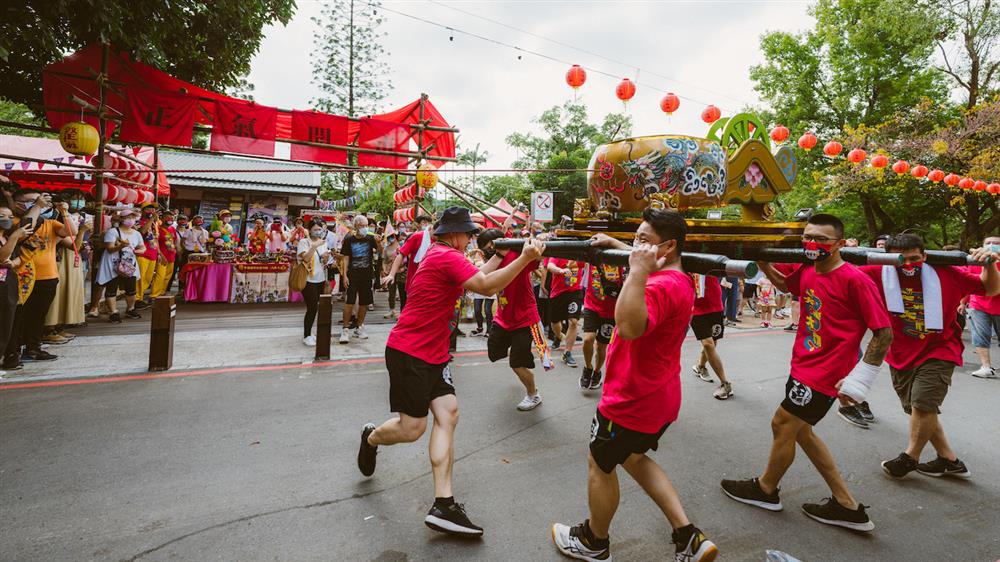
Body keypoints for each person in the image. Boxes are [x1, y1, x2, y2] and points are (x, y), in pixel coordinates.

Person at [357, 207, 545, 536]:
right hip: (410, 352)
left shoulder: (445, 255)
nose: (472, 239)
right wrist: (525, 258)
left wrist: (502, 256)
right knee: (413, 428)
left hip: (435, 354)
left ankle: (444, 504)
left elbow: (476, 278)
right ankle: (371, 438)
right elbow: (485, 287)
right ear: (454, 234)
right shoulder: (444, 255)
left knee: (448, 413)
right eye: (469, 234)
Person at [552, 208, 717, 562]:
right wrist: (618, 244)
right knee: (634, 458)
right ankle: (687, 535)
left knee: (600, 463)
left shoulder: (660, 284)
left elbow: (626, 326)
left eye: (643, 241)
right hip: (658, 397)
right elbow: (644, 261)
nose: (636, 247)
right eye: (636, 239)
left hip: (631, 400)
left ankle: (594, 541)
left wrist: (638, 271)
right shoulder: (678, 277)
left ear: (668, 246)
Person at [721, 214, 892, 532]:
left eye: (822, 239)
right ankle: (846, 505)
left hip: (825, 374)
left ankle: (766, 489)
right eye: (808, 237)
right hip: (802, 365)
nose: (813, 244)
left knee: (782, 424)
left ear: (839, 243)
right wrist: (764, 262)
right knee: (801, 432)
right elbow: (788, 286)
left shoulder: (855, 279)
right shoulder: (809, 269)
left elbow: (883, 333)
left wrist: (859, 378)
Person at [857, 233, 998, 480]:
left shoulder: (947, 272)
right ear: (888, 259)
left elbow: (991, 288)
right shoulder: (876, 273)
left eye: (915, 258)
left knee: (923, 405)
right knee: (919, 409)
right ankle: (948, 460)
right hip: (899, 352)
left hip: (940, 349)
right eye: (902, 260)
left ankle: (909, 458)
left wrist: (988, 264)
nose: (909, 265)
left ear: (925, 255)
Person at [478, 228, 545, 410]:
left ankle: (533, 393)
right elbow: (479, 277)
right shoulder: (492, 260)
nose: (489, 250)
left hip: (524, 318)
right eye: (486, 249)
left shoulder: (518, 253)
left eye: (491, 246)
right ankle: (519, 356)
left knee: (516, 363)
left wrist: (537, 242)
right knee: (494, 353)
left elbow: (536, 258)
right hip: (503, 317)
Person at [10, 190, 78, 361]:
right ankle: (14, 349)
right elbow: (27, 226)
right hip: (22, 277)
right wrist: (37, 206)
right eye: (31, 200)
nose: (39, 202)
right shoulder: (14, 221)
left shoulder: (50, 223)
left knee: (38, 315)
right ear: (18, 203)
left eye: (39, 199)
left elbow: (71, 231)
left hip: (48, 276)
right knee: (19, 315)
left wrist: (64, 211)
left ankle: (33, 348)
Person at [579, 237, 625, 390]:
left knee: (601, 346)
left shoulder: (621, 262)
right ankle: (588, 367)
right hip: (592, 305)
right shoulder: (592, 258)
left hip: (611, 311)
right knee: (588, 339)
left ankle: (597, 372)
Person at [43, 191, 88, 342]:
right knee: (57, 295)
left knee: (67, 293)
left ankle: (59, 326)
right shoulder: (53, 222)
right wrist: (82, 231)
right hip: (58, 261)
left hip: (71, 261)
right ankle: (49, 329)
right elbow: (73, 245)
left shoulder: (65, 219)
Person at [96, 209, 147, 323]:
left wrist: (141, 251)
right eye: (128, 217)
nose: (131, 220)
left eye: (133, 218)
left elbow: (142, 246)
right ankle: (113, 312)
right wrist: (121, 246)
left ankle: (130, 309)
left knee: (131, 289)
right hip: (113, 263)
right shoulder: (113, 232)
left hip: (129, 264)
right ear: (122, 219)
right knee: (111, 288)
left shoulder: (136, 233)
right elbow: (109, 249)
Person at [690, 274, 734, 400]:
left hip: (715, 306)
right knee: (708, 344)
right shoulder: (685, 257)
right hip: (696, 309)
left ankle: (700, 366)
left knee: (712, 343)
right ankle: (725, 384)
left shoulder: (710, 256)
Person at [339, 215, 380, 343]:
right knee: (349, 302)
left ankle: (359, 327)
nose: (364, 228)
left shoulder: (370, 238)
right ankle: (345, 329)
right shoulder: (349, 240)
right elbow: (345, 257)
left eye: (366, 225)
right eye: (362, 225)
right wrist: (344, 275)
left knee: (364, 302)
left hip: (367, 275)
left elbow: (379, 251)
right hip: (352, 274)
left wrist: (379, 243)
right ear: (356, 226)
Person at [1, 206, 32, 374]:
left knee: (8, 323)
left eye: (10, 216)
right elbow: (2, 256)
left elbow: (17, 257)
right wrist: (14, 236)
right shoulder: (10, 237)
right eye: (2, 216)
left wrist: (14, 263)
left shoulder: (7, 237)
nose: (7, 219)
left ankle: (8, 355)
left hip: (9, 284)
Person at [966, 234, 1000, 378]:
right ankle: (986, 366)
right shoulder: (975, 260)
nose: (991, 244)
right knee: (980, 336)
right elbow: (968, 281)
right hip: (978, 304)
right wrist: (963, 302)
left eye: (996, 243)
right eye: (988, 242)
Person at [546, 256, 584, 367]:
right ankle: (558, 336)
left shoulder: (580, 254)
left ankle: (567, 352)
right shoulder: (560, 252)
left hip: (575, 292)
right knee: (555, 322)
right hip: (558, 293)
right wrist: (561, 270)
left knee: (573, 322)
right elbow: (550, 266)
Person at [298, 221, 330, 346]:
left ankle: (312, 333)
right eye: (315, 229)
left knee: (319, 307)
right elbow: (305, 258)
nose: (318, 231)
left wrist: (327, 256)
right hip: (308, 280)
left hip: (320, 278)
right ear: (309, 230)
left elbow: (323, 260)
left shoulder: (323, 242)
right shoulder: (303, 242)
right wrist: (314, 246)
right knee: (312, 308)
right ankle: (306, 335)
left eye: (320, 229)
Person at [150, 209, 179, 299]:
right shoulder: (157, 229)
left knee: (168, 276)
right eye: (167, 217)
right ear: (162, 218)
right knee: (160, 276)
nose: (170, 219)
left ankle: (162, 293)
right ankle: (154, 295)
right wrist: (160, 255)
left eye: (171, 218)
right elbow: (154, 243)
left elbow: (174, 241)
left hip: (171, 256)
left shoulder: (173, 229)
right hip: (162, 257)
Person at [382, 229, 405, 319]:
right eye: (388, 237)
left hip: (401, 272)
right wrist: (384, 270)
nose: (390, 238)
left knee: (402, 292)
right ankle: (391, 310)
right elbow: (384, 261)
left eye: (392, 236)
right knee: (391, 292)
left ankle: (402, 312)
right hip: (389, 272)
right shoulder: (386, 248)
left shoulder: (402, 246)